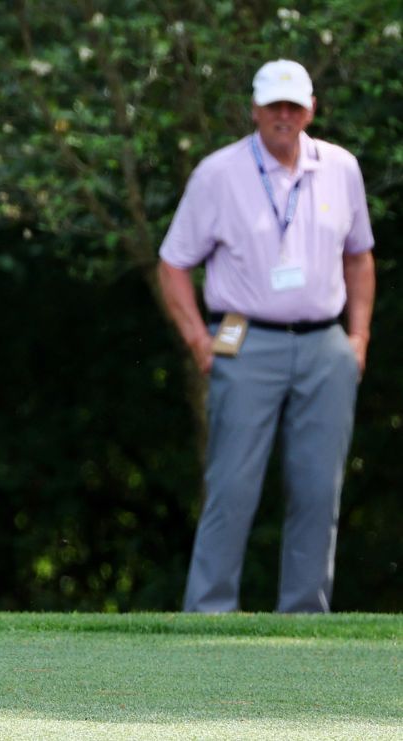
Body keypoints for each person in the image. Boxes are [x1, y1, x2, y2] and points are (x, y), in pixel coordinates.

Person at [158, 59, 375, 613]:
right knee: (232, 485)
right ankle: (208, 615)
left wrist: (358, 339)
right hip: (244, 341)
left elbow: (359, 257)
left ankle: (305, 620)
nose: (284, 115)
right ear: (253, 109)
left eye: (293, 105)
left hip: (326, 343)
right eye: (274, 105)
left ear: (311, 109)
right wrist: (199, 343)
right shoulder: (218, 172)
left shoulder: (341, 168)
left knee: (318, 490)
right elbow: (173, 263)